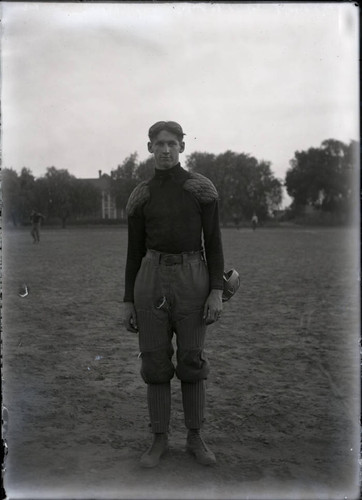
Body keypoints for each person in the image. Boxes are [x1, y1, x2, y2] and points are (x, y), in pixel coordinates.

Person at [123, 121, 224, 468]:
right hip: (150, 277)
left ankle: (195, 438)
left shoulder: (201, 190)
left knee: (192, 360)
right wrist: (127, 301)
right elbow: (133, 252)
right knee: (154, 361)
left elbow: (213, 243)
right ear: (149, 147)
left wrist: (215, 291)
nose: (165, 149)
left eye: (172, 143)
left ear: (182, 146)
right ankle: (159, 440)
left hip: (193, 276)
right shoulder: (141, 195)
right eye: (158, 143)